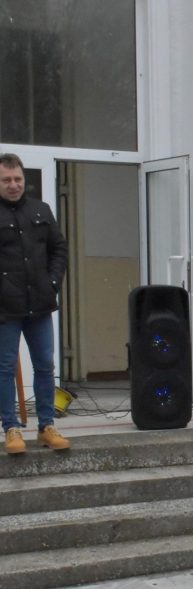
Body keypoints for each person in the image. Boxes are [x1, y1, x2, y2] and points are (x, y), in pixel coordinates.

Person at [0, 153, 69, 455]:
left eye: (17, 179)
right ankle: (11, 428)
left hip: (39, 304)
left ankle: (46, 426)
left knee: (44, 365)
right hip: (5, 308)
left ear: (24, 180)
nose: (13, 185)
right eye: (6, 180)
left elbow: (59, 249)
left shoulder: (41, 210)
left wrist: (52, 282)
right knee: (4, 368)